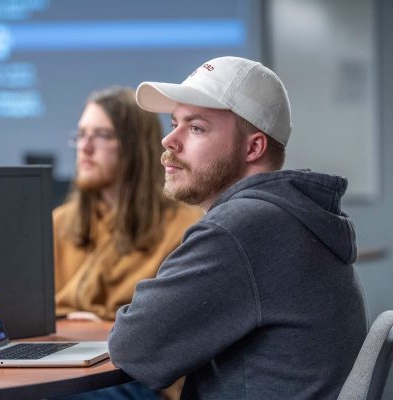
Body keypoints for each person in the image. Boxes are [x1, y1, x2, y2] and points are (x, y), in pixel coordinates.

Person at [108, 57, 368, 399]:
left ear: (253, 147)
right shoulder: (290, 215)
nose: (169, 140)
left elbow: (133, 348)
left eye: (196, 128)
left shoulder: (242, 228)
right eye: (174, 123)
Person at [54, 86, 202, 322]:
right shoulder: (59, 223)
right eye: (81, 135)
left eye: (102, 135)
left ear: (136, 146)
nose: (85, 147)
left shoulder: (183, 228)